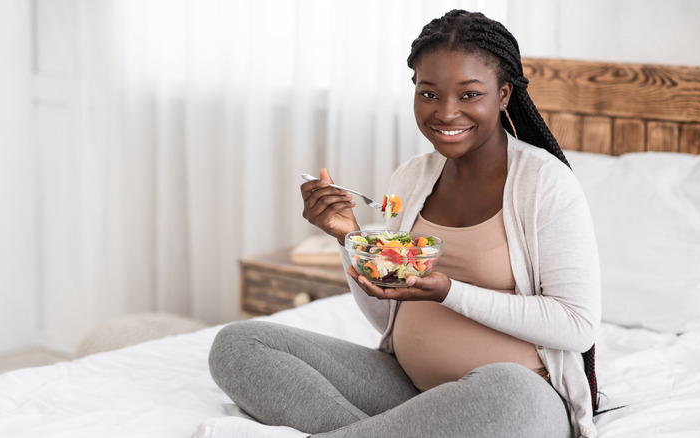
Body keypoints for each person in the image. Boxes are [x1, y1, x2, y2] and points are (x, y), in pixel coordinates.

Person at [197, 9, 601, 438]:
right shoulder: (411, 177)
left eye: (468, 95)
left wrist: (448, 292)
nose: (446, 113)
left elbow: (576, 325)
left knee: (508, 391)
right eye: (429, 94)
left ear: (502, 96)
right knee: (239, 345)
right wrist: (349, 238)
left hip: (513, 396)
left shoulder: (545, 184)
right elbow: (388, 312)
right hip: (407, 387)